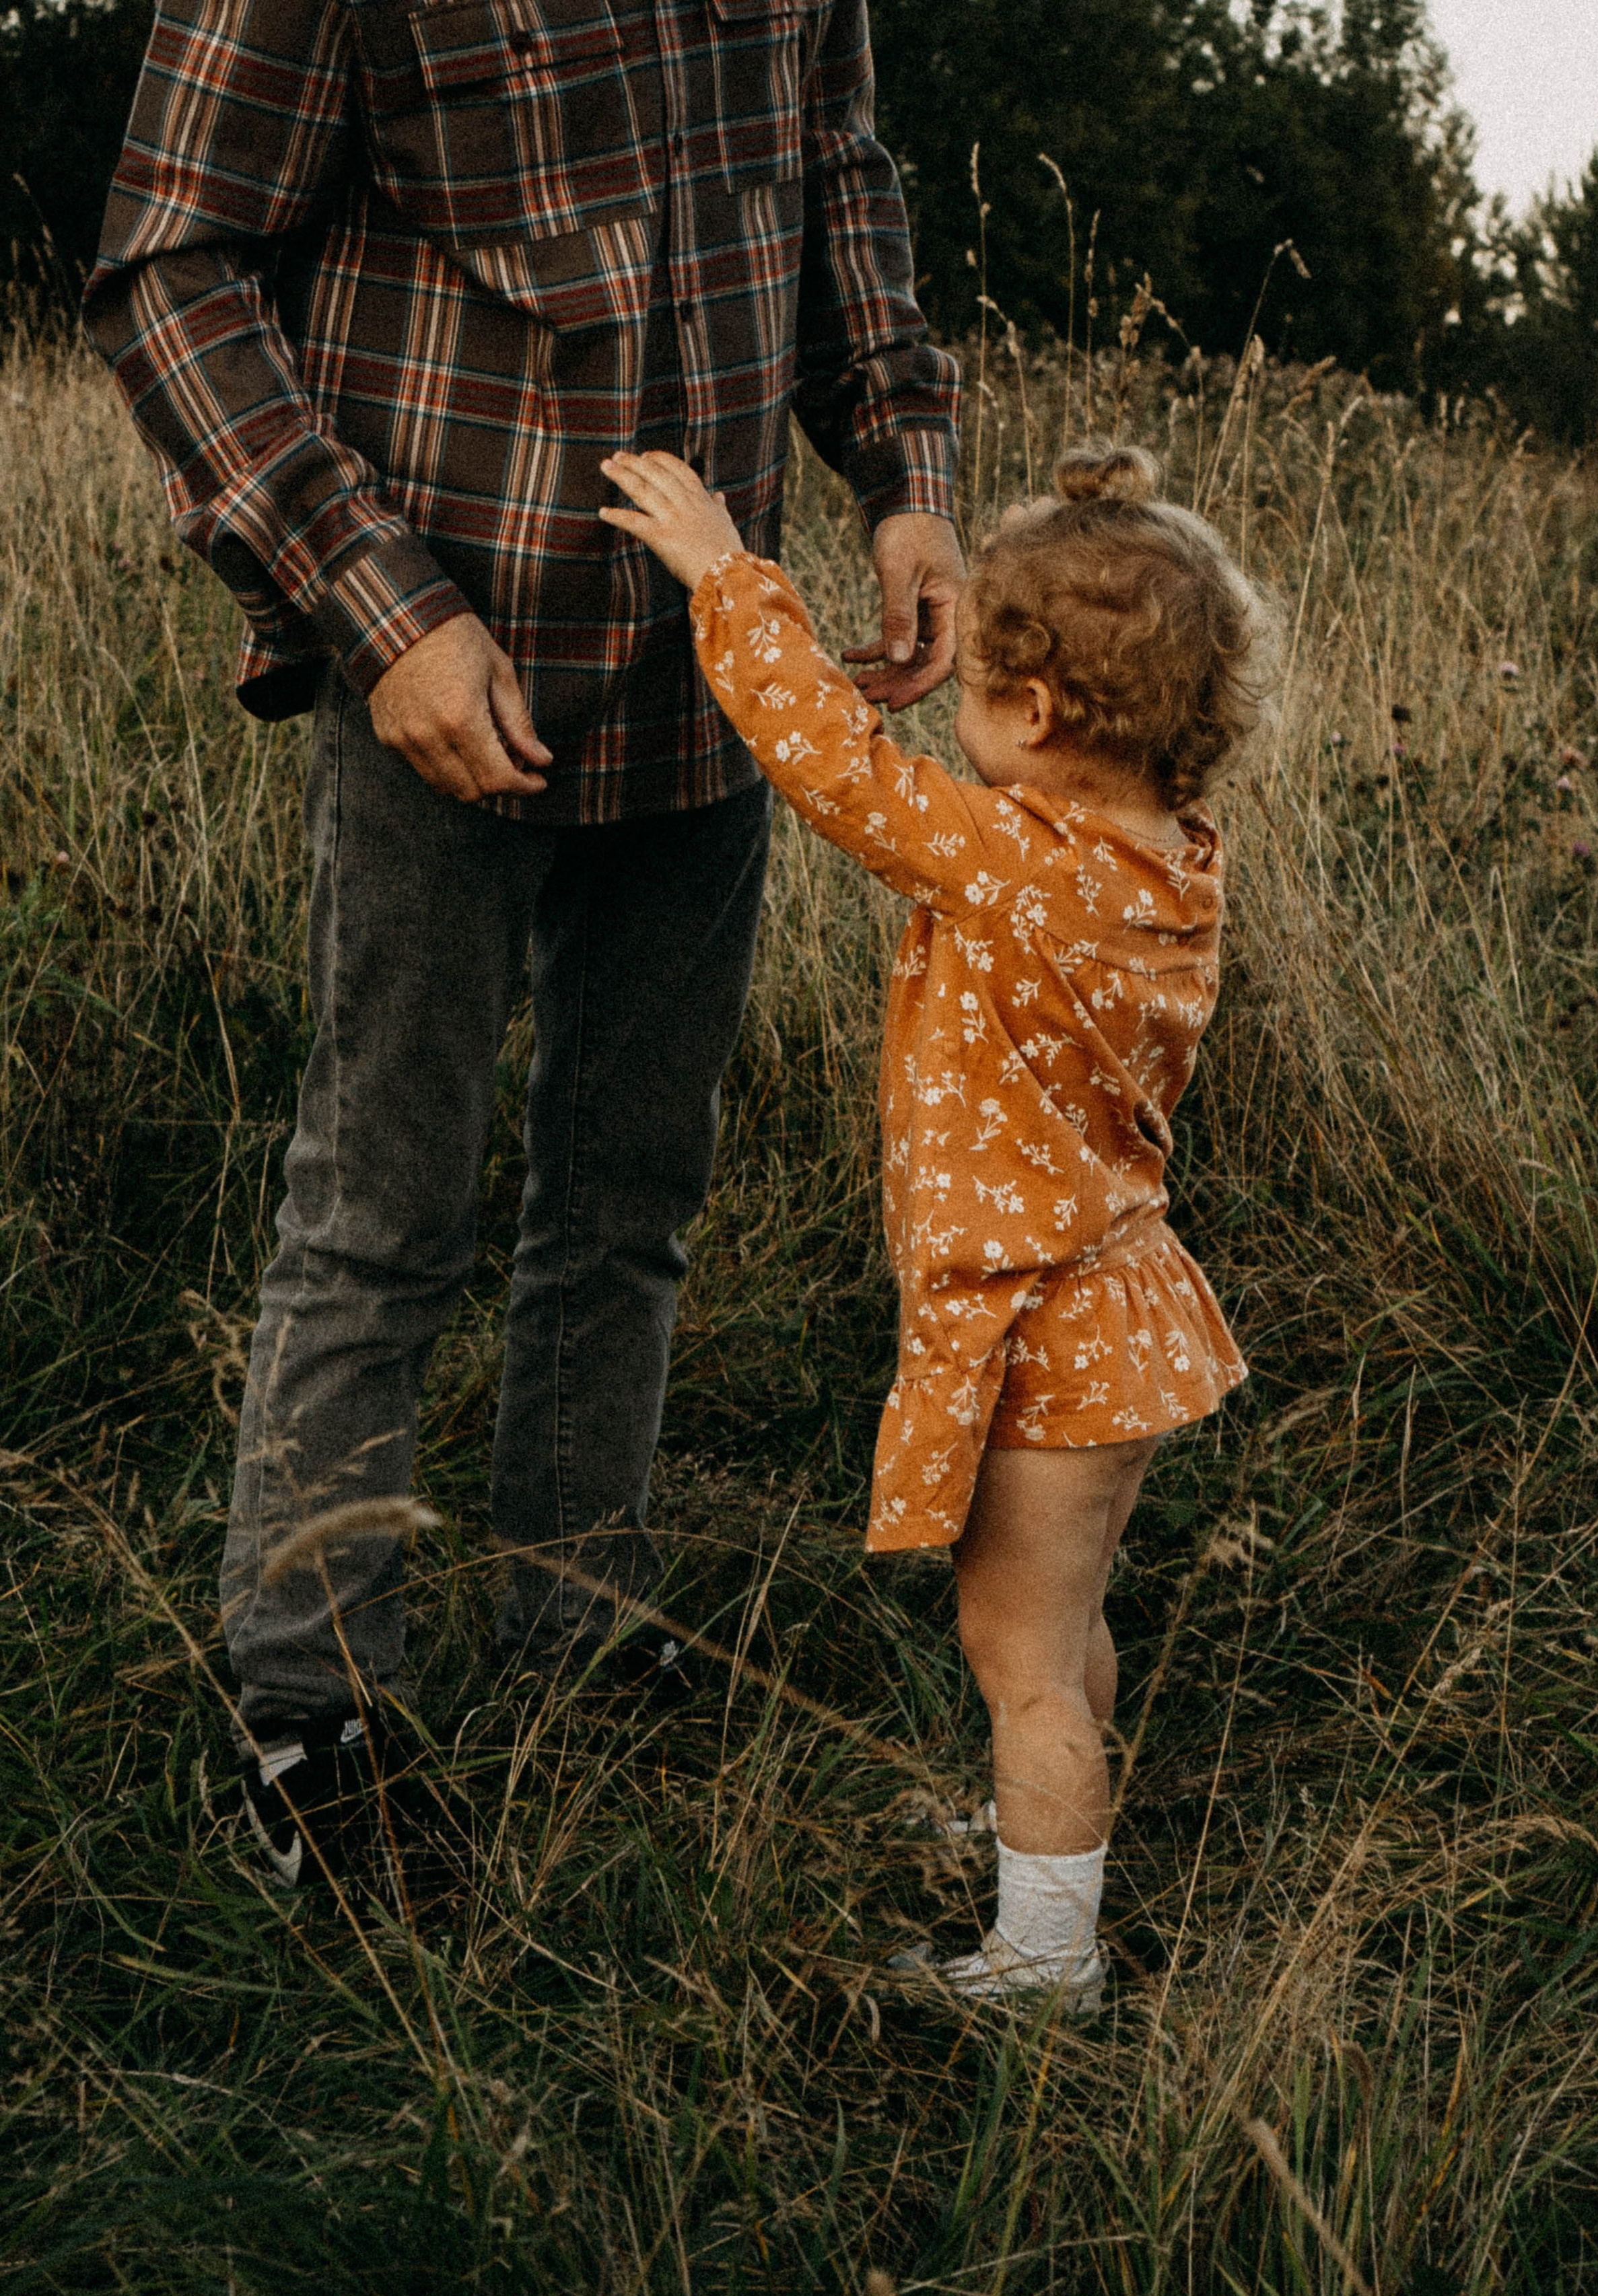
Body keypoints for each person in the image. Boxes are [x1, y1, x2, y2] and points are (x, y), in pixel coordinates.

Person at [83, 0, 965, 1890]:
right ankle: (312, 1712)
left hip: (709, 676)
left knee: (633, 1189)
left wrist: (905, 477)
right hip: (443, 660)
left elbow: (835, 173)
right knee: (382, 1205)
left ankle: (577, 1614)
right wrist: (377, 606)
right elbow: (170, 268)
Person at [597, 439, 1278, 2008]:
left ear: (1032, 718)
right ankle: (1046, 1833)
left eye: (971, 691)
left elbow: (837, 771)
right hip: (1121, 1309)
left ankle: (1044, 1959)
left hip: (1044, 1324)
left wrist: (728, 581)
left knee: (1015, 1661)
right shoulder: (1166, 858)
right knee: (1068, 1625)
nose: (952, 721)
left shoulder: (1020, 868)